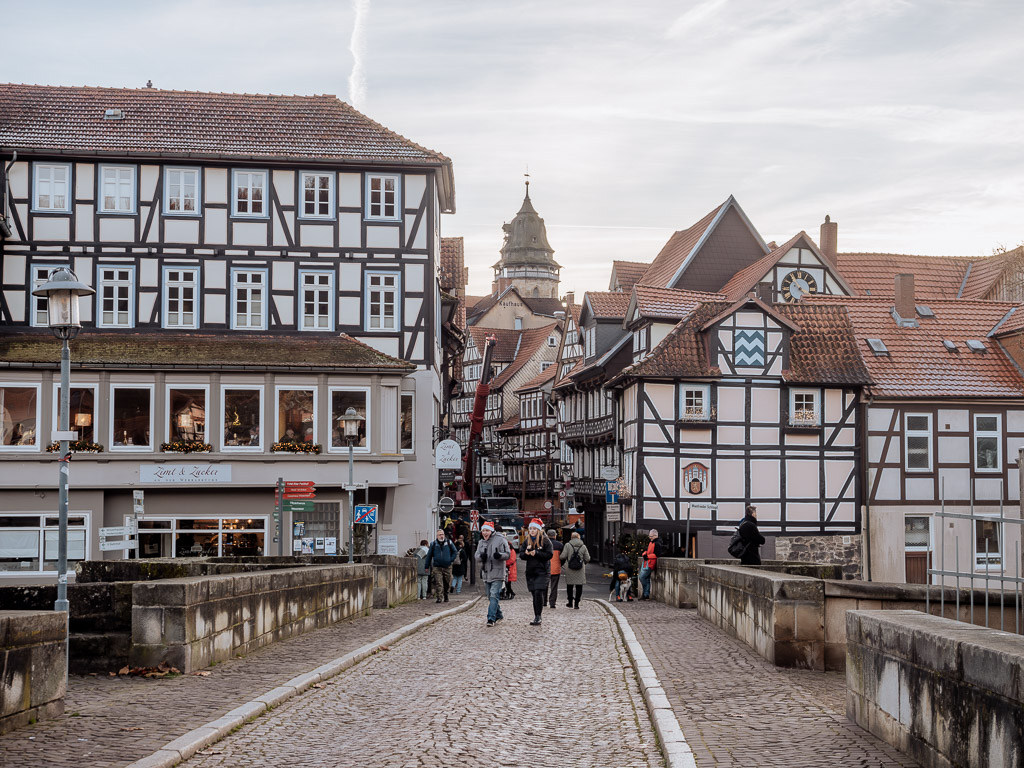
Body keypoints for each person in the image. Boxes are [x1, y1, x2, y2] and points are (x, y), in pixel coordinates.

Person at [475, 520, 510, 627]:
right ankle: (499, 614)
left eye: (487, 530)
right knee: (490, 596)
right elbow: (476, 556)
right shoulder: (481, 542)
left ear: (491, 531)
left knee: (494, 594)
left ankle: (491, 618)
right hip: (486, 573)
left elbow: (507, 554)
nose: (485, 533)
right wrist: (481, 557)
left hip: (498, 572)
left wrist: (499, 555)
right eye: (483, 531)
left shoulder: (500, 540)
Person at [520, 519, 553, 626]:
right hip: (531, 571)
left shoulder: (546, 541)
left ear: (539, 530)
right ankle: (536, 614)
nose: (532, 531)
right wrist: (526, 553)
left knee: (538, 591)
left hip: (542, 571)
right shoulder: (526, 541)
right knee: (534, 593)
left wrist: (537, 553)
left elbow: (549, 555)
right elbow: (521, 555)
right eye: (530, 529)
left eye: (534, 529)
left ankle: (538, 616)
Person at [425, 528, 458, 602]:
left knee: (447, 582)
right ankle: (439, 597)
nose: (441, 536)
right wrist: (426, 566)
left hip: (447, 566)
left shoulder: (449, 542)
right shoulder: (433, 544)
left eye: (442, 534)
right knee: (438, 582)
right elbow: (429, 556)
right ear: (437, 536)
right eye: (440, 535)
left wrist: (450, 559)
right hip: (437, 566)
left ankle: (446, 594)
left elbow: (455, 552)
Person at [560, 531, 590, 609]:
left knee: (569, 585)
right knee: (579, 586)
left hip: (569, 568)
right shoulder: (583, 546)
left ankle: (570, 602)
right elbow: (588, 558)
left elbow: (562, 556)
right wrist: (583, 563)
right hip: (580, 569)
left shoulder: (567, 545)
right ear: (579, 537)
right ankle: (576, 603)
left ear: (571, 537)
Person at [638, 528, 664, 600]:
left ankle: (645, 593)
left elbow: (657, 554)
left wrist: (647, 556)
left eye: (651, 536)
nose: (650, 538)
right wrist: (645, 554)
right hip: (648, 562)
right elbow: (649, 552)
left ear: (655, 536)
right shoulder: (652, 542)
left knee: (642, 577)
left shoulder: (657, 543)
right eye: (649, 536)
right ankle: (646, 594)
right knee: (646, 578)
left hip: (650, 563)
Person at [546, 528, 563, 609]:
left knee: (544, 585)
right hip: (556, 568)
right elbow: (563, 558)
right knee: (554, 586)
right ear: (555, 536)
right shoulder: (559, 545)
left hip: (545, 568)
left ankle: (544, 601)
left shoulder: (543, 544)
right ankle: (552, 603)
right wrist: (560, 564)